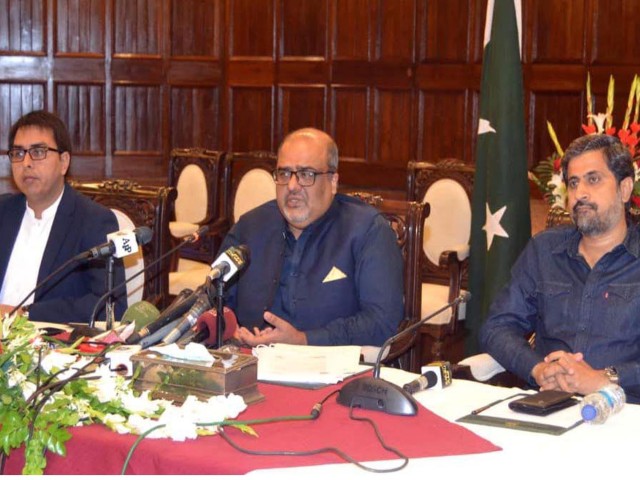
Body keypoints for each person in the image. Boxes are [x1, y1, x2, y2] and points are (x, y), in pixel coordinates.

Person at [479, 133, 640, 403]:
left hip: (626, 414)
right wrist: (538, 369)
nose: (580, 194)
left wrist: (606, 378)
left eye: (594, 179)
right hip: (549, 405)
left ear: (624, 189)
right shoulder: (544, 251)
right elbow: (497, 327)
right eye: (573, 183)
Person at [218, 127, 404, 347]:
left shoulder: (367, 231)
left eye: (306, 174)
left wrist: (304, 340)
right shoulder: (250, 226)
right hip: (246, 367)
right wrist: (230, 331)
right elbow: (216, 299)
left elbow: (382, 321)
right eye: (284, 173)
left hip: (332, 370)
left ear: (333, 182)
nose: (292, 186)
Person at [0, 110, 126, 324]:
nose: (26, 163)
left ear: (64, 162)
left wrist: (24, 314)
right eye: (18, 153)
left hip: (46, 346)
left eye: (38, 152)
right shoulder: (4, 211)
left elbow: (110, 305)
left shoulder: (94, 221)